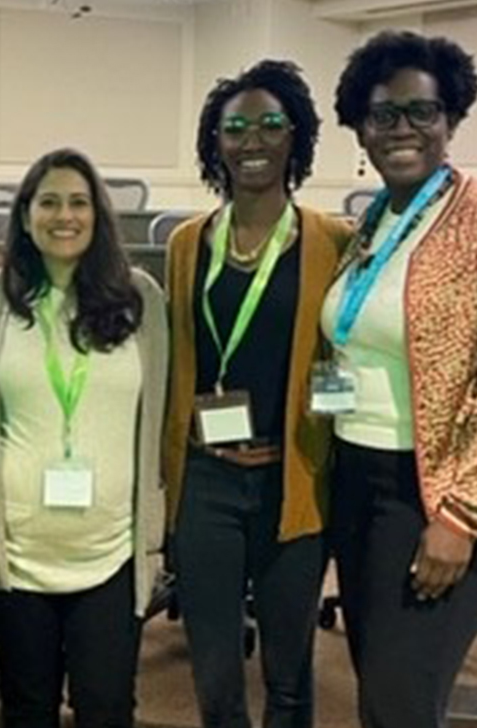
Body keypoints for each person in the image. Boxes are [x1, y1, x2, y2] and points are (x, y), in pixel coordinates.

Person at [322, 30, 477, 728]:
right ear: (360, 129)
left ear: (451, 118)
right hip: (357, 476)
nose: (401, 129)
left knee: (400, 699)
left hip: (437, 494)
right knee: (379, 686)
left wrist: (462, 517)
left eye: (421, 112)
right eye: (382, 114)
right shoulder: (373, 223)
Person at [161, 60, 352, 728]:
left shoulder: (334, 240)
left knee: (290, 673)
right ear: (214, 143)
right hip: (207, 481)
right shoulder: (189, 243)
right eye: (233, 127)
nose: (252, 141)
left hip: (292, 480)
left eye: (271, 124)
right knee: (214, 672)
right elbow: (180, 361)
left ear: (296, 136)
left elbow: (343, 351)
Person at [0, 148, 168, 728]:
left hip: (110, 554)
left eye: (79, 202)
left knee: (106, 708)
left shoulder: (141, 301)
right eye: (48, 201)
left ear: (99, 216)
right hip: (17, 554)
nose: (64, 216)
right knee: (27, 708)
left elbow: (159, 414)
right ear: (25, 215)